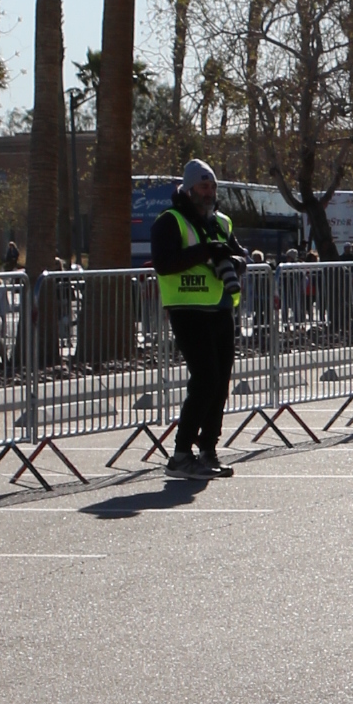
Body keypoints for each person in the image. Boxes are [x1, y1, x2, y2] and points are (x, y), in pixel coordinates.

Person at [151, 154, 243, 476]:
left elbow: (238, 252)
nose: (209, 193)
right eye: (203, 187)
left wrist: (236, 261)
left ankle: (208, 450)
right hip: (187, 309)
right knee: (205, 379)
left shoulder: (221, 222)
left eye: (212, 187)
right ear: (189, 190)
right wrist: (207, 252)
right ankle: (180, 454)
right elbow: (163, 263)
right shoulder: (170, 220)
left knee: (220, 383)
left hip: (220, 307)